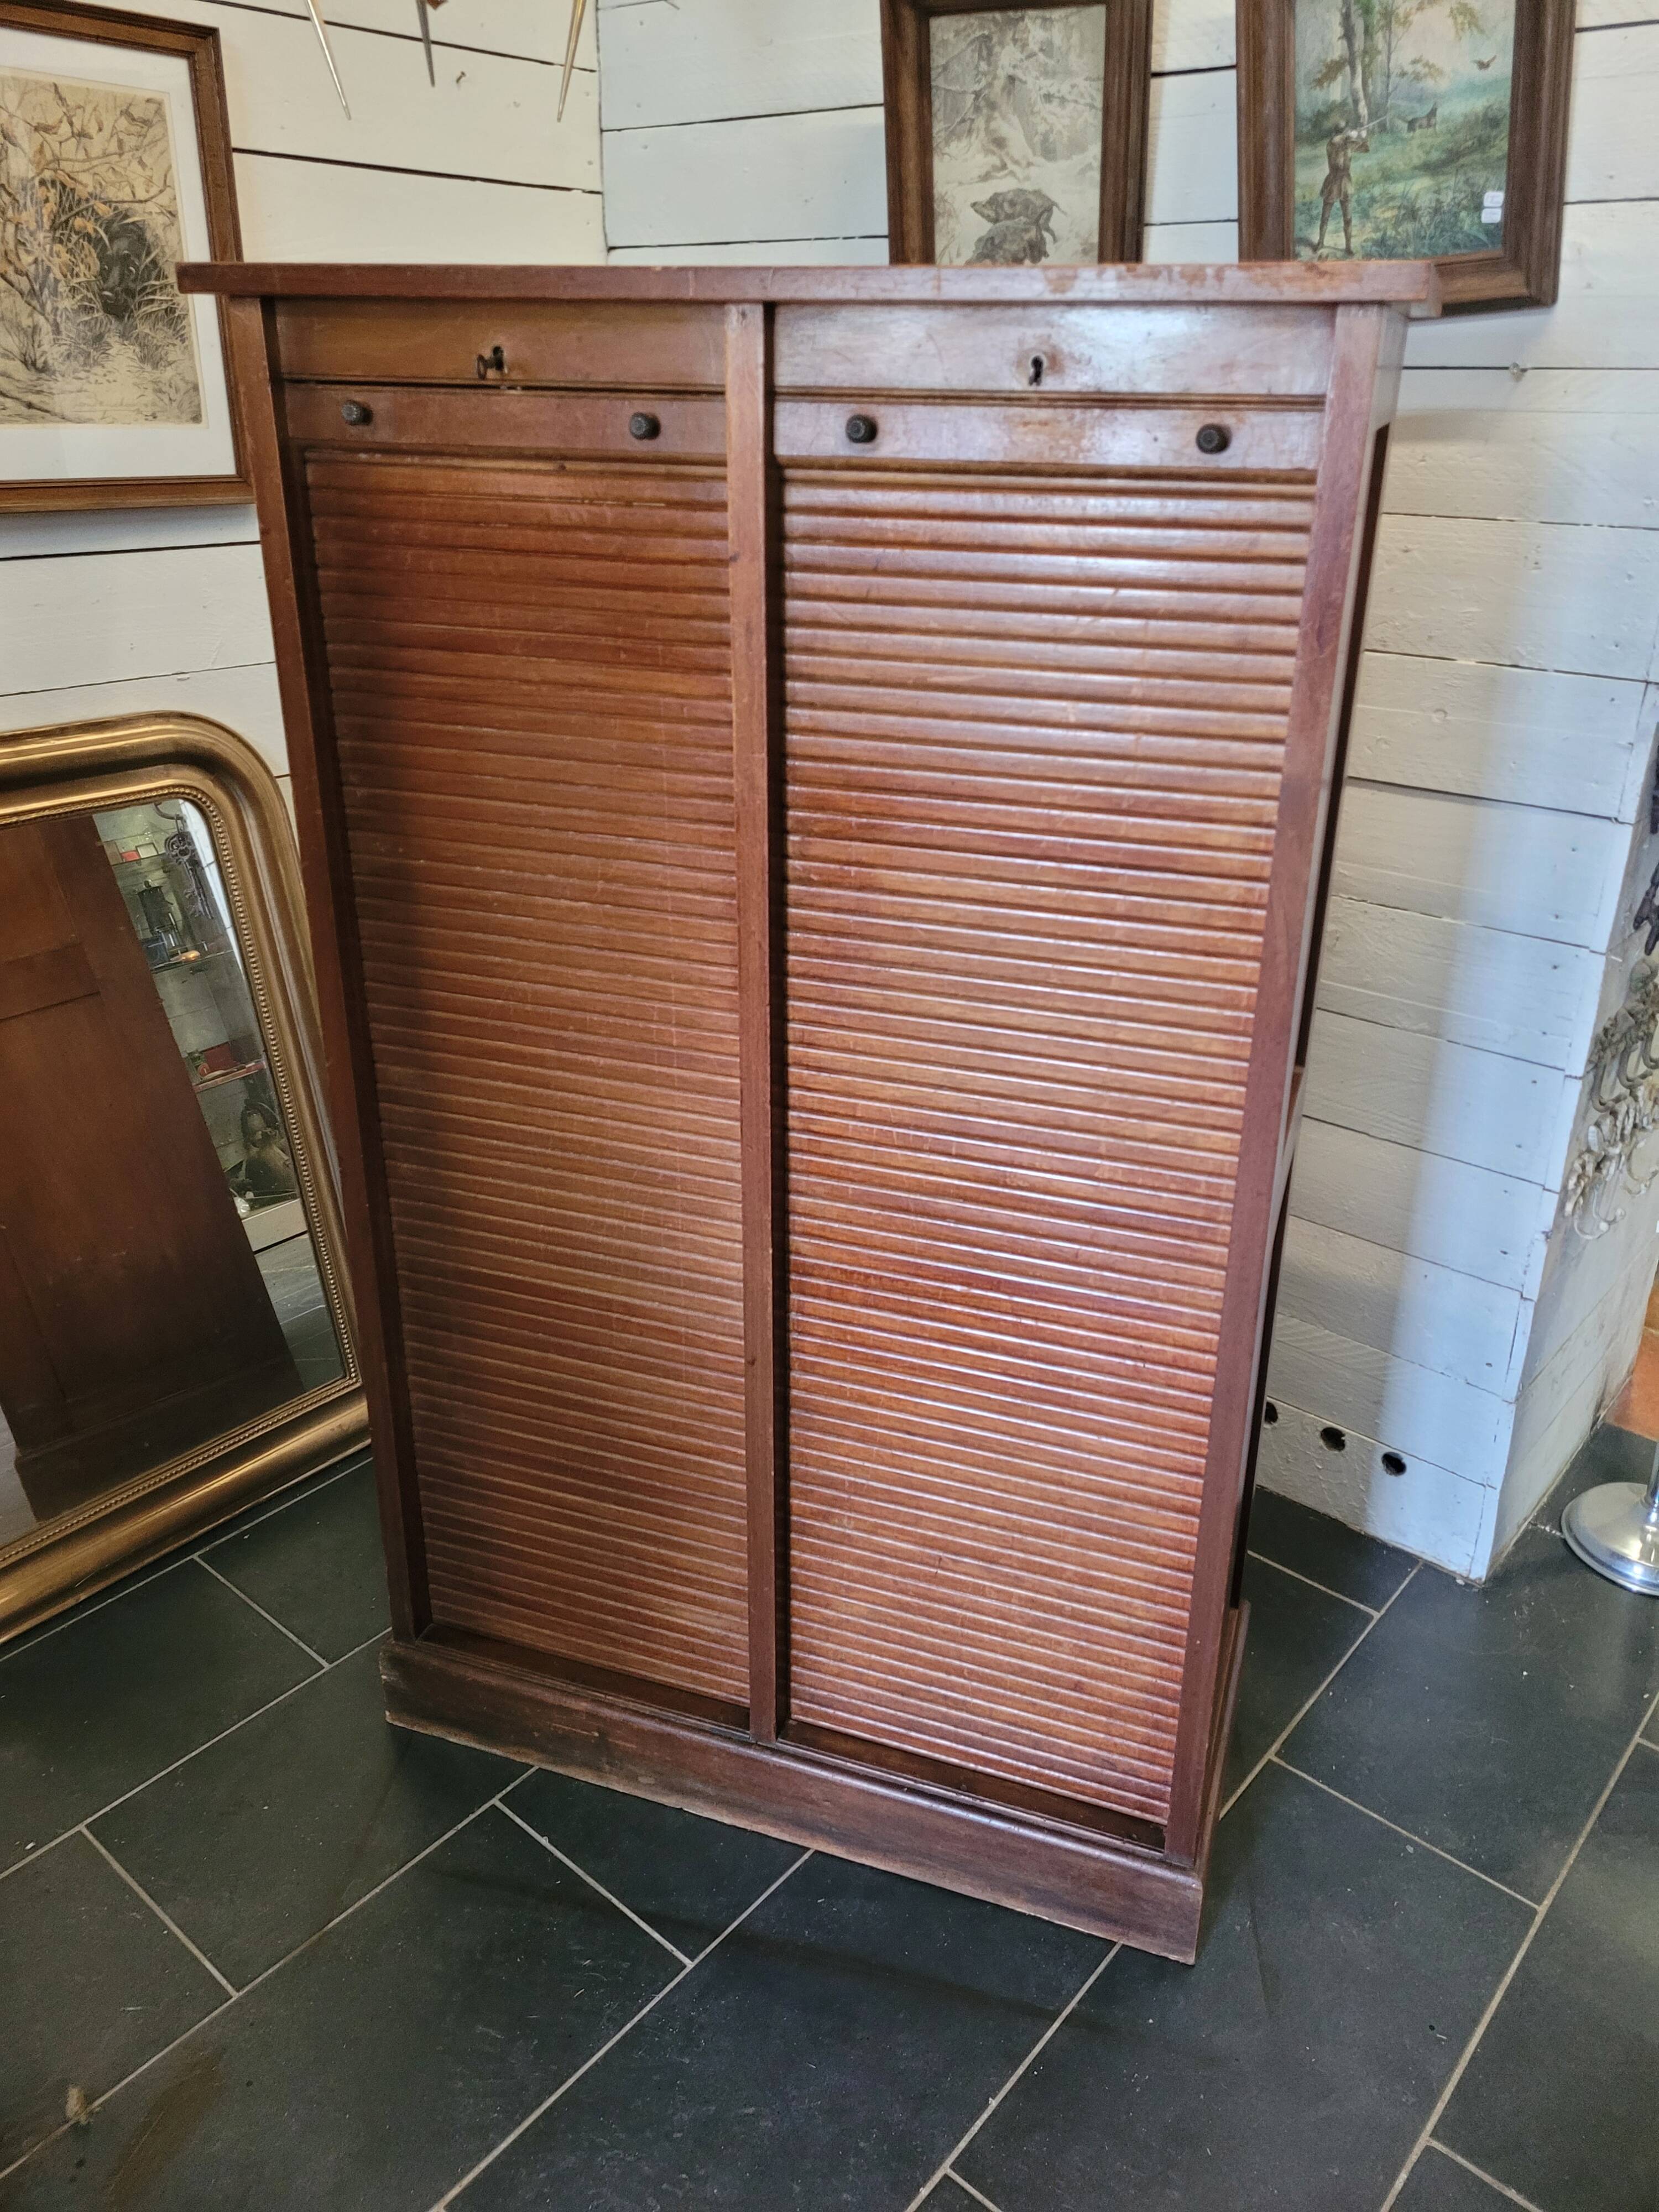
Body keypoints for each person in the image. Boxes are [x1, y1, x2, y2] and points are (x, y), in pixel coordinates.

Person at [1316, 125, 1369, 256]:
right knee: (1325, 216)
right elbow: (1336, 142)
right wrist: (1348, 136)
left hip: (1345, 182)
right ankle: (1321, 243)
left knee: (1348, 217)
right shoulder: (1332, 144)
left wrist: (1363, 135)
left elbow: (1366, 148)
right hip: (1333, 181)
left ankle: (1348, 247)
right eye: (1343, 132)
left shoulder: (1348, 143)